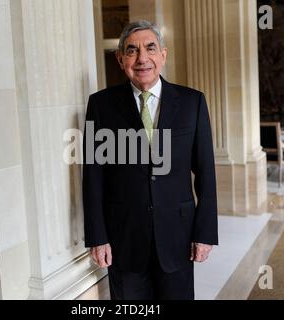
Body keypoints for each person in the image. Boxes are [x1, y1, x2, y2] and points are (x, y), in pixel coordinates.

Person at [82, 20, 218, 300]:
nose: (142, 58)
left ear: (163, 55)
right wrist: (98, 236)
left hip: (177, 236)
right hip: (124, 238)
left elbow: (206, 173)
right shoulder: (101, 105)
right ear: (121, 60)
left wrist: (204, 232)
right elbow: (93, 177)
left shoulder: (193, 103)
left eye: (150, 48)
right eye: (132, 51)